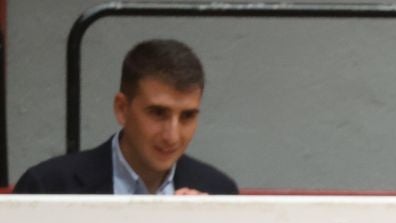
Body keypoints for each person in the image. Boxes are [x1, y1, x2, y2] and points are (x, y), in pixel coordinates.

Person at [12, 40, 237, 195]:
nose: (172, 136)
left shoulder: (219, 191)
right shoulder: (48, 187)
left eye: (187, 116)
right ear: (122, 108)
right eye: (158, 113)